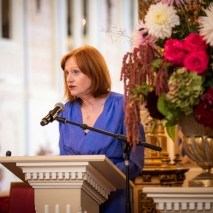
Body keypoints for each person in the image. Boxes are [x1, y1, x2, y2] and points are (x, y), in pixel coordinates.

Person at [58, 45, 145, 213]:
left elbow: (134, 163)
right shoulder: (66, 111)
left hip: (113, 200)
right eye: (66, 73)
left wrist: (96, 180)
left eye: (75, 72)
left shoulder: (124, 106)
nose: (69, 78)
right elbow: (64, 159)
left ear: (93, 72)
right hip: (75, 202)